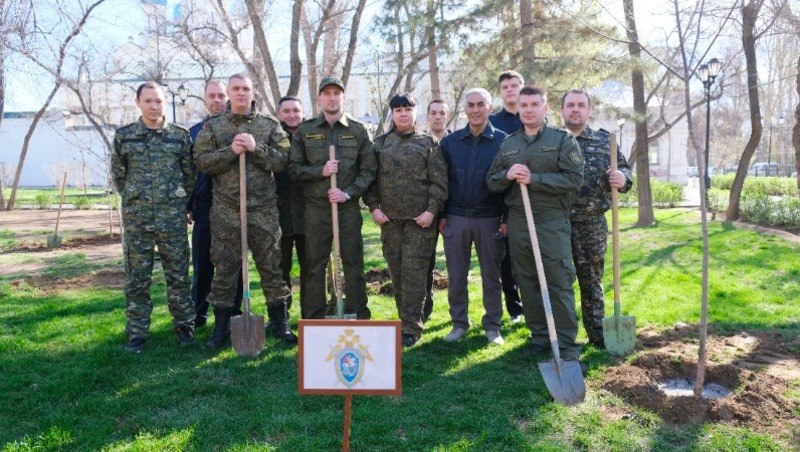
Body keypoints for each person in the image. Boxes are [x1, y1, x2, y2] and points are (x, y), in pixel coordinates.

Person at [193, 73, 296, 348]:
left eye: (245, 89)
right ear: (228, 93)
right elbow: (201, 161)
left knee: (271, 266)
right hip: (227, 209)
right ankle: (222, 326)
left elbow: (284, 160)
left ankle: (280, 321)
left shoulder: (269, 125)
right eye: (235, 89)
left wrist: (256, 148)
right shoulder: (214, 127)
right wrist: (230, 151)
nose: (241, 93)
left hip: (262, 209)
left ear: (253, 93)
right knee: (225, 268)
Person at [486, 86, 584, 361]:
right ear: (517, 108)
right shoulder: (508, 144)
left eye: (534, 104)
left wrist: (536, 179)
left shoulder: (561, 139)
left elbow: (574, 179)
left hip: (551, 220)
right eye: (523, 105)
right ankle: (540, 336)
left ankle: (566, 343)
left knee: (558, 279)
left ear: (545, 107)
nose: (528, 109)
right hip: (519, 221)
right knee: (526, 279)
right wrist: (507, 174)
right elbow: (491, 182)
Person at [111, 81, 196, 353]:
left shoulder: (180, 137)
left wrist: (179, 200)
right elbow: (119, 176)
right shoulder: (125, 136)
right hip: (138, 220)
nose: (154, 106)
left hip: (172, 219)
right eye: (148, 101)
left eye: (158, 100)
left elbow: (189, 174)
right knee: (137, 279)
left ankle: (184, 326)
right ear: (138, 103)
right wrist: (136, 197)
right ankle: (137, 333)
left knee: (179, 276)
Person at [288, 77, 376, 320]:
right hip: (316, 209)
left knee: (353, 263)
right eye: (326, 93)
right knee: (314, 265)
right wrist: (321, 171)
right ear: (319, 98)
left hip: (346, 209)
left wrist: (347, 193)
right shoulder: (306, 131)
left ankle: (358, 313)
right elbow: (293, 168)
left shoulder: (358, 130)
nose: (332, 97)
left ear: (343, 98)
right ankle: (314, 318)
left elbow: (369, 170)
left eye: (337, 93)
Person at [364, 93, 447, 347]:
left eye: (407, 109)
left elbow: (439, 182)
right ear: (392, 114)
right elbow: (370, 181)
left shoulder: (428, 144)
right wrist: (374, 208)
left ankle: (411, 328)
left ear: (414, 112)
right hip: (390, 222)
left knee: (414, 273)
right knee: (397, 273)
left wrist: (431, 211)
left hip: (419, 222)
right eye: (398, 109)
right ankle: (405, 319)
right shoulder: (379, 145)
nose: (403, 113)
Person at [560, 89, 633, 348]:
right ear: (562, 110)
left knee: (592, 281)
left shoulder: (604, 141)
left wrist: (622, 178)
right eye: (570, 105)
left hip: (592, 223)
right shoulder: (552, 141)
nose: (575, 109)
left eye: (581, 105)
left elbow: (624, 169)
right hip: (557, 224)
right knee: (560, 283)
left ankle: (598, 336)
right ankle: (564, 338)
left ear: (589, 111)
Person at [439, 88, 507, 345]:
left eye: (481, 104)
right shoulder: (450, 142)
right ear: (465, 109)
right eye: (471, 105)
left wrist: (506, 219)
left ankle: (493, 327)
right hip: (456, 218)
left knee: (492, 275)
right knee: (456, 275)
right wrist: (442, 215)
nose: (476, 109)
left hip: (489, 218)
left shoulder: (503, 142)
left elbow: (509, 187)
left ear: (490, 107)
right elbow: (441, 182)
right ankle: (459, 324)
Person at [187, 80, 243, 329]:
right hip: (204, 205)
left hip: (232, 203)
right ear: (206, 99)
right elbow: (188, 171)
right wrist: (189, 202)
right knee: (202, 262)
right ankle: (198, 313)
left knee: (234, 260)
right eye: (212, 96)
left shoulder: (237, 129)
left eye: (221, 95)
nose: (217, 100)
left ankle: (234, 311)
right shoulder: (194, 132)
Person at [488, 70, 525, 324]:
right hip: (501, 195)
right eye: (505, 87)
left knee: (529, 256)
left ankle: (535, 304)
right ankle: (515, 308)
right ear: (500, 92)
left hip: (530, 195)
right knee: (506, 257)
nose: (510, 90)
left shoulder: (531, 116)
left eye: (514, 85)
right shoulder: (493, 122)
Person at [273, 95, 307, 324]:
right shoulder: (272, 136)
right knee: (279, 268)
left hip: (309, 214)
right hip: (279, 213)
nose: (292, 115)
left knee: (311, 269)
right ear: (279, 114)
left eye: (296, 110)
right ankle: (281, 316)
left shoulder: (312, 136)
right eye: (286, 111)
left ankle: (312, 314)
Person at [422, 99, 451, 322]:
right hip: (427, 211)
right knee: (426, 262)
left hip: (453, 212)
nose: (438, 116)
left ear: (447, 115)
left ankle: (457, 312)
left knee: (456, 264)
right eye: (434, 113)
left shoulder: (455, 143)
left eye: (442, 112)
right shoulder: (422, 142)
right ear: (428, 116)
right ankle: (425, 306)